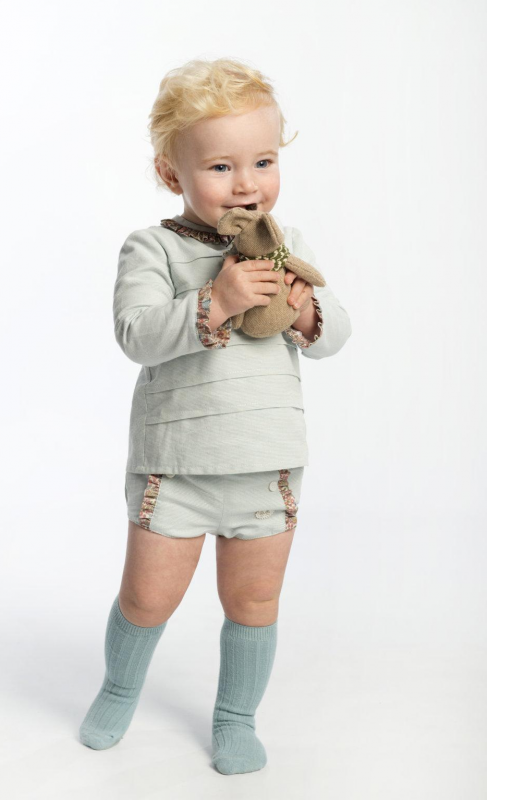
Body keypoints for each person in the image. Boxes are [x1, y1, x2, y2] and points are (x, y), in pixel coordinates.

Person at [78, 57, 352, 775]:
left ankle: (236, 718)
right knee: (148, 596)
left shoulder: (287, 247)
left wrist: (307, 313)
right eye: (221, 167)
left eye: (262, 161)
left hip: (265, 465)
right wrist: (217, 302)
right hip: (178, 467)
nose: (246, 184)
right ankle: (118, 688)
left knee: (254, 600)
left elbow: (336, 335)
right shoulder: (154, 248)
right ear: (171, 173)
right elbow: (136, 333)